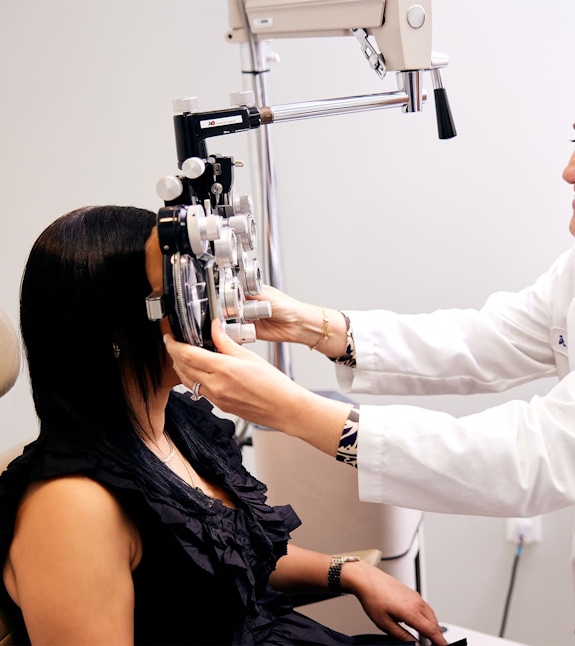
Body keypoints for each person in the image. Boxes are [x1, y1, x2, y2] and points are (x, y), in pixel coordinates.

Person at [165, 39, 575, 644]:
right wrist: (316, 326)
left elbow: (527, 460)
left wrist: (291, 409)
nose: (571, 169)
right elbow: (484, 339)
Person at [0, 205, 447, 646]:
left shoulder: (173, 426)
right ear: (115, 329)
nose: (203, 306)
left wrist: (348, 571)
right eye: (177, 290)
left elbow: (228, 553)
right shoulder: (72, 508)